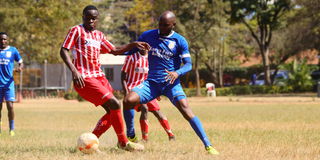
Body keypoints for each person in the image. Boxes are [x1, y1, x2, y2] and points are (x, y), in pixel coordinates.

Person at [122, 11, 219, 155]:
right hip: (152, 84)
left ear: (173, 25)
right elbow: (128, 52)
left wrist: (177, 73)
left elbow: (188, 65)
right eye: (160, 24)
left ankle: (208, 145)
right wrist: (119, 49)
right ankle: (131, 134)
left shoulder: (180, 41)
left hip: (171, 84)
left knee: (186, 109)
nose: (161, 27)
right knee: (128, 100)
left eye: (165, 25)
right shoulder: (148, 36)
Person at [60, 5, 150, 151]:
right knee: (115, 103)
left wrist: (133, 45)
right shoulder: (76, 30)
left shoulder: (99, 35)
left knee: (112, 112)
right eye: (87, 17)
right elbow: (63, 50)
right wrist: (75, 71)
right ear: (83, 17)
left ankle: (88, 143)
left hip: (99, 77)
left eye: (93, 18)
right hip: (85, 78)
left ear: (97, 20)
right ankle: (123, 142)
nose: (90, 21)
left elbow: (114, 51)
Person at [121, 49, 175, 142]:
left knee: (157, 112)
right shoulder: (132, 57)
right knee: (144, 109)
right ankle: (144, 138)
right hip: (134, 91)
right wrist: (126, 92)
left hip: (147, 89)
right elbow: (123, 75)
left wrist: (157, 91)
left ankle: (171, 135)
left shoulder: (151, 58)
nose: (144, 46)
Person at [0, 32, 23, 136]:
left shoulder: (13, 50)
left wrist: (20, 67)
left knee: (10, 106)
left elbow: (20, 61)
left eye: (4, 39)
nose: (2, 41)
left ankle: (11, 129)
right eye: (1, 39)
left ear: (7, 40)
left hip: (9, 83)